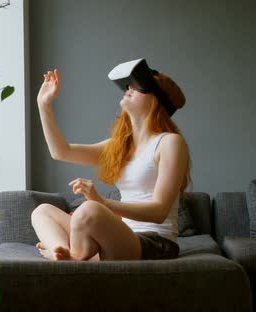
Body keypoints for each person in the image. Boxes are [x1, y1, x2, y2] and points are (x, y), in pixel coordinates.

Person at [31, 65, 191, 261]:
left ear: (156, 100)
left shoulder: (170, 143)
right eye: (129, 86)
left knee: (89, 210)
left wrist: (102, 203)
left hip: (155, 242)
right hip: (122, 236)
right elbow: (61, 152)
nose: (129, 88)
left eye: (138, 87)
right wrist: (44, 105)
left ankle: (74, 257)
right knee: (42, 211)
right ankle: (62, 255)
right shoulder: (120, 145)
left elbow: (159, 211)